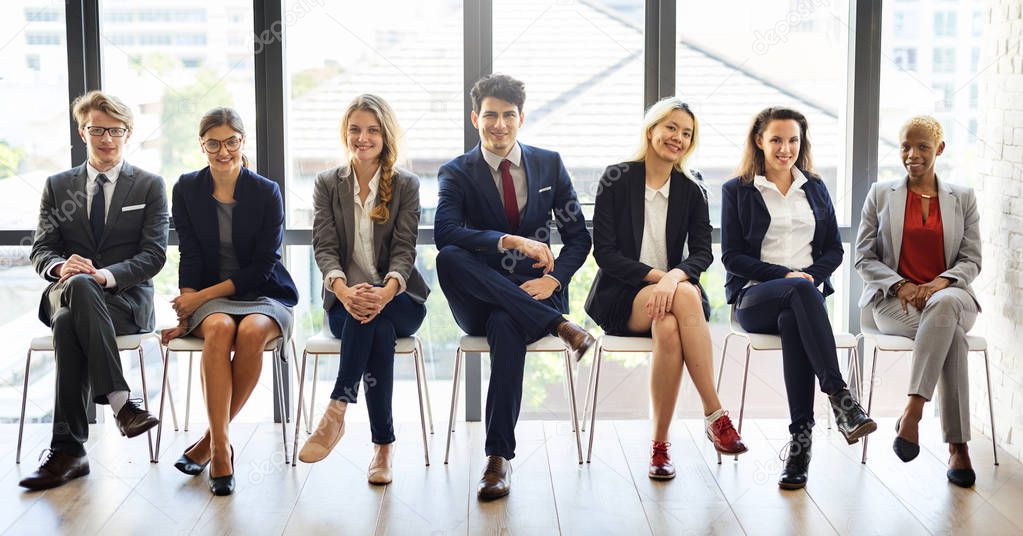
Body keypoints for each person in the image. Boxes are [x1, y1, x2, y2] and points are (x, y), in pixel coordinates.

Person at [434, 73, 594, 500]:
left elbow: (579, 237)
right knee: (448, 257)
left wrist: (555, 278)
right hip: (479, 296)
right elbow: (445, 231)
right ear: (475, 118)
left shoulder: (549, 164)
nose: (499, 124)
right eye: (490, 115)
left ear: (522, 117)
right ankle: (560, 325)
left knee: (507, 325)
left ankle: (497, 459)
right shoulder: (456, 172)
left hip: (537, 289)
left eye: (508, 115)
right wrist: (508, 240)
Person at [585, 97, 747, 480]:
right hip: (623, 296)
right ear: (652, 129)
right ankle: (715, 415)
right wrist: (664, 279)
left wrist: (674, 277)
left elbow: (704, 254)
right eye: (671, 127)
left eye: (686, 133)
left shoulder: (692, 189)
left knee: (670, 325)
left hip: (676, 302)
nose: (678, 137)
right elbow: (605, 254)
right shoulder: (617, 178)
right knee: (685, 295)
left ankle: (660, 448)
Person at [720, 106, 875, 490]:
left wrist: (808, 278)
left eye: (792, 140)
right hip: (754, 298)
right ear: (760, 141)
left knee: (796, 315)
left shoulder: (815, 187)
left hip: (802, 302)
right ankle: (841, 398)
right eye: (776, 139)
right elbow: (732, 256)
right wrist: (787, 276)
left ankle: (800, 448)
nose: (785, 148)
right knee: (800, 292)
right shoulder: (737, 190)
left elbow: (833, 252)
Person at [21, 91, 168, 491]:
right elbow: (41, 250)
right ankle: (122, 403)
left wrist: (104, 276)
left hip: (123, 302)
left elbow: (154, 255)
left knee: (69, 323)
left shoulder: (150, 186)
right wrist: (58, 265)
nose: (106, 138)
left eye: (115, 130)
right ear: (82, 131)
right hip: (66, 289)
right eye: (97, 130)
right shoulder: (57, 186)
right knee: (76, 290)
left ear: (128, 133)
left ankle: (69, 452)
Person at [161, 107, 298, 496]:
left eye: (231, 142)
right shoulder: (186, 188)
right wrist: (189, 311)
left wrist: (201, 297)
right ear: (201, 145)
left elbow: (262, 266)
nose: (224, 151)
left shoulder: (266, 191)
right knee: (220, 328)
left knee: (252, 331)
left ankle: (210, 443)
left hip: (264, 291)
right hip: (210, 296)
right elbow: (189, 254)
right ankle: (223, 449)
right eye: (213, 144)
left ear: (243, 141)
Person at [297, 94, 429, 485]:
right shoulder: (327, 184)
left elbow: (405, 250)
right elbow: (324, 247)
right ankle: (383, 447)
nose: (363, 137)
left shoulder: (406, 184)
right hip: (346, 301)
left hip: (400, 300)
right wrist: (343, 290)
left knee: (379, 319)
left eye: (372, 130)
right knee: (376, 329)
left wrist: (385, 292)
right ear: (345, 133)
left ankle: (337, 409)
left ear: (385, 136)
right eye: (355, 129)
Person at [854, 116, 982, 488]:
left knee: (944, 308)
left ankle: (912, 412)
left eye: (923, 147)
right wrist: (900, 286)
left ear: (939, 149)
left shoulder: (964, 197)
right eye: (906, 146)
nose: (913, 155)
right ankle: (958, 447)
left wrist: (941, 282)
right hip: (896, 304)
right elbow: (864, 257)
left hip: (953, 296)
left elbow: (971, 259)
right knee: (951, 335)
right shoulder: (881, 194)